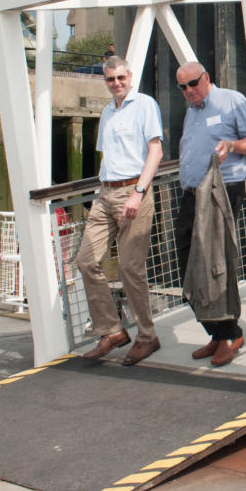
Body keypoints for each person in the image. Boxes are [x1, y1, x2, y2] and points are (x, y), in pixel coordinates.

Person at [77, 56, 164, 366]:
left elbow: (156, 150)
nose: (116, 83)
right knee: (86, 260)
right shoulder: (107, 112)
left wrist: (138, 192)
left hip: (133, 192)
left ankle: (147, 336)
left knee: (130, 267)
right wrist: (103, 192)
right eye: (111, 79)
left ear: (130, 76)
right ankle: (112, 331)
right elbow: (109, 156)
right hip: (106, 193)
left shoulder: (144, 105)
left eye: (120, 77)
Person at [174, 61, 246, 366]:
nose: (188, 91)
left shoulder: (231, 100)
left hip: (221, 190)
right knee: (188, 262)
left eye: (193, 83)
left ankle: (230, 335)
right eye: (182, 87)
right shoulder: (192, 112)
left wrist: (232, 145)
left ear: (206, 77)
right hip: (192, 193)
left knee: (216, 263)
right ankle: (216, 331)